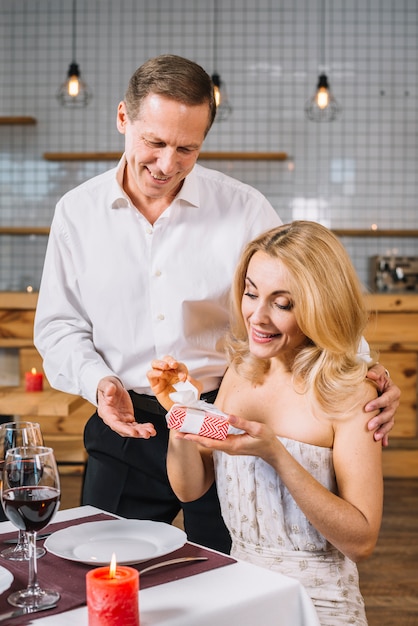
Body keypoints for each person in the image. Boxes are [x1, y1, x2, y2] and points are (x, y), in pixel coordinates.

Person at [34, 55, 398, 555]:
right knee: (108, 568)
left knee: (226, 570)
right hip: (126, 426)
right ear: (123, 118)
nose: (168, 165)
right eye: (155, 143)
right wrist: (100, 383)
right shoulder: (76, 212)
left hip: (220, 420)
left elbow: (308, 288)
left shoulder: (243, 207)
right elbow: (58, 326)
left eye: (188, 148)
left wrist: (365, 375)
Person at [147, 221, 385, 625]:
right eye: (251, 293)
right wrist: (179, 413)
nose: (257, 316)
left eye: (283, 303)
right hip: (239, 588)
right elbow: (191, 487)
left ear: (320, 306)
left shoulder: (351, 394)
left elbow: (361, 541)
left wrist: (277, 455)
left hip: (318, 602)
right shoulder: (240, 374)